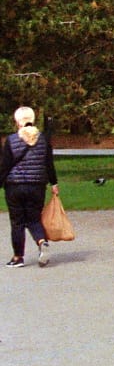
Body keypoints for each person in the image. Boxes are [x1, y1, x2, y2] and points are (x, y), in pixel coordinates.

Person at [0, 106, 59, 267]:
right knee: (34, 219)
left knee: (17, 222)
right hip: (37, 185)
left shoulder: (11, 140)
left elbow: (4, 166)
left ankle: (18, 257)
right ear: (32, 120)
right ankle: (41, 241)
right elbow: (49, 163)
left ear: (18, 122)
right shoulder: (44, 139)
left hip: (15, 186)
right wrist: (54, 183)